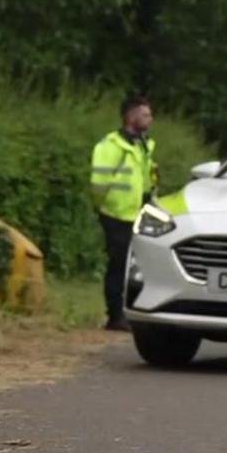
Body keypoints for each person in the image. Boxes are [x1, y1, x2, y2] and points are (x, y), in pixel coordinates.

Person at [89, 92, 159, 331]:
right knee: (118, 264)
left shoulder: (142, 145)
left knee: (136, 265)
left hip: (138, 214)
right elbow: (98, 182)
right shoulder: (111, 146)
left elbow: (146, 179)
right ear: (131, 116)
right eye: (145, 114)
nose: (150, 119)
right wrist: (101, 207)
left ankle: (131, 311)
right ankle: (115, 315)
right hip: (116, 214)